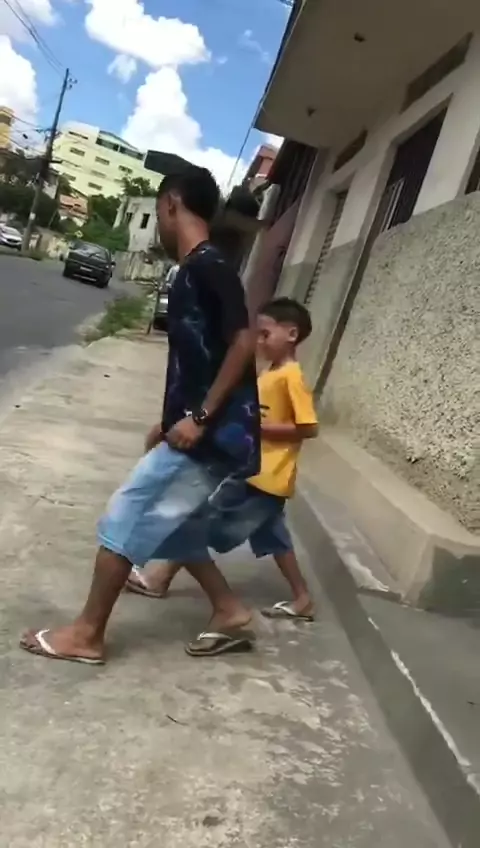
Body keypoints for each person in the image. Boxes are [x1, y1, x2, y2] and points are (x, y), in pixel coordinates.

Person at [20, 165, 269, 666]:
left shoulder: (209, 266)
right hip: (198, 427)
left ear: (171, 204)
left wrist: (200, 417)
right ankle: (229, 610)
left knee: (126, 516)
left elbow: (243, 344)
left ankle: (88, 634)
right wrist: (171, 417)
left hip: (210, 435)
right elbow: (198, 359)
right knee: (177, 526)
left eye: (158, 212)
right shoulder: (196, 268)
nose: (159, 223)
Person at [127, 297, 318, 635]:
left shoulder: (291, 376)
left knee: (195, 522)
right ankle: (302, 598)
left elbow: (308, 428)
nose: (259, 342)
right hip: (259, 474)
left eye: (265, 334)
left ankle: (159, 578)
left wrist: (256, 429)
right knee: (274, 536)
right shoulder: (271, 373)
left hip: (260, 477)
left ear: (292, 334)